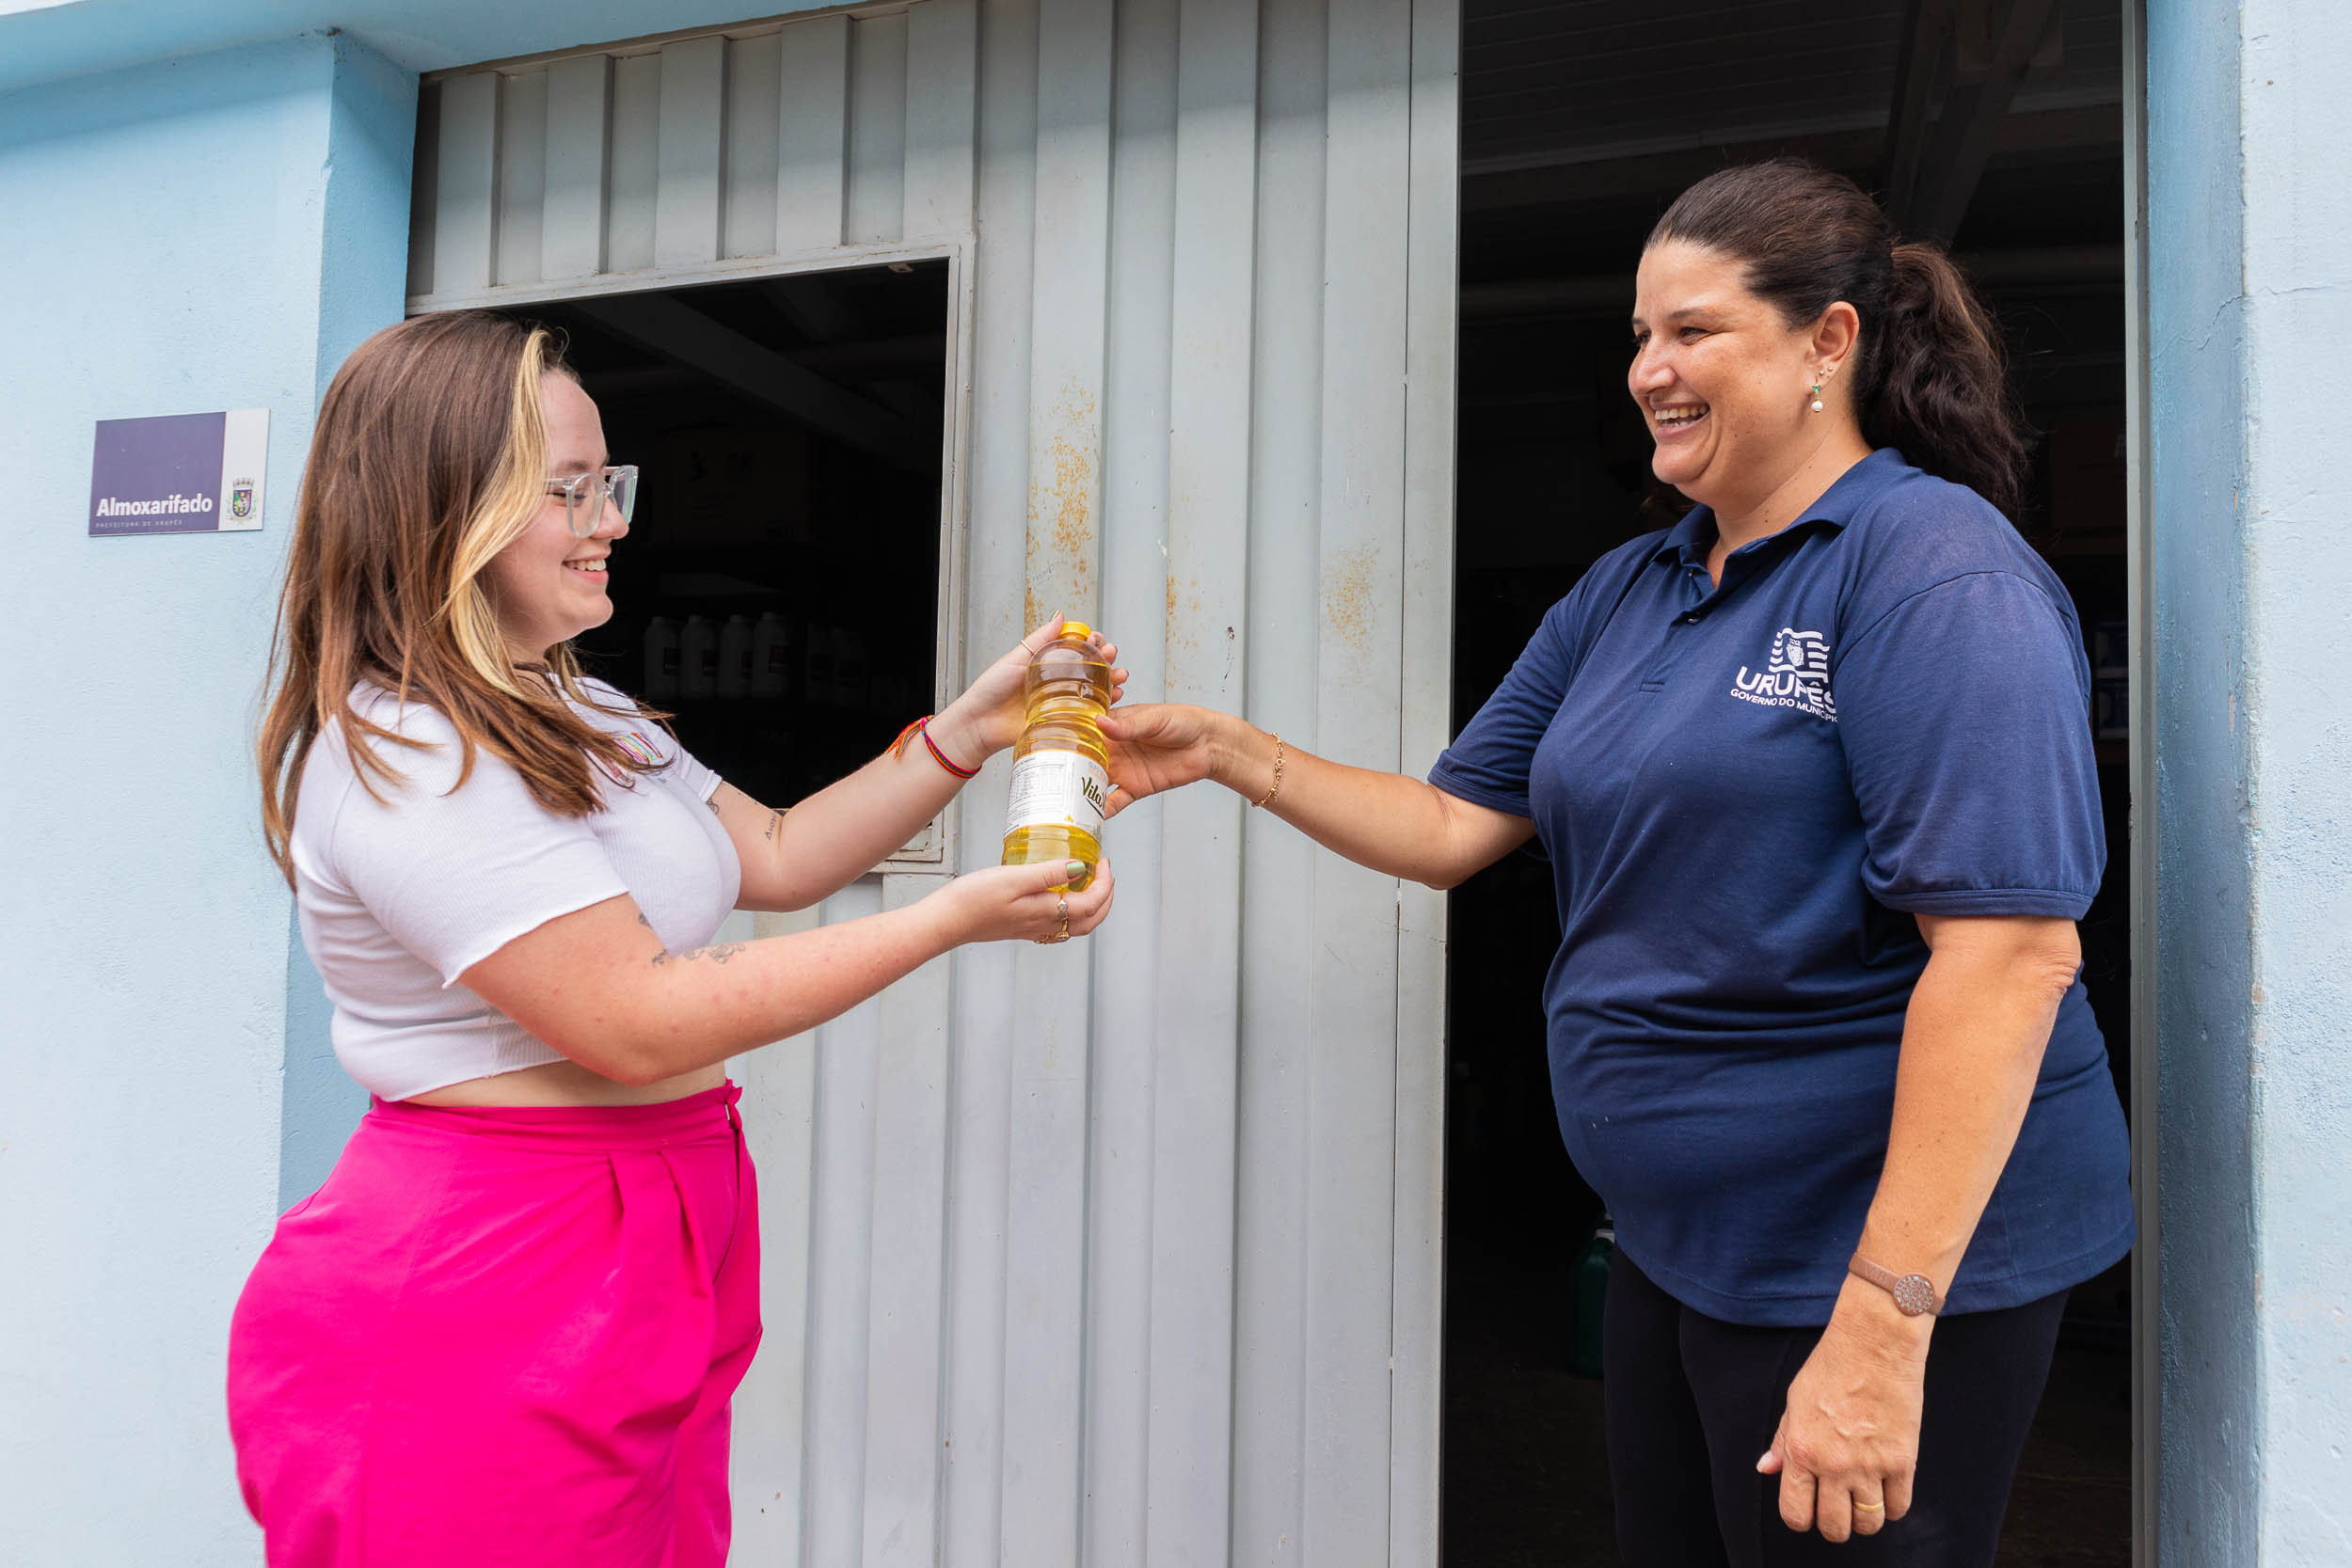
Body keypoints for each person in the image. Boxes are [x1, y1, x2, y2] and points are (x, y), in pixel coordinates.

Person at [1097, 159, 2132, 1567]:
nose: (1651, 369)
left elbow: (2010, 957)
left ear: (1829, 340)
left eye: (1693, 330)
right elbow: (1455, 826)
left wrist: (1884, 1332)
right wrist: (1228, 751)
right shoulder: (1636, 587)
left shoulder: (1932, 575)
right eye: (1641, 336)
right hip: (1680, 1239)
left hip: (1871, 1261)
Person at [228, 309, 1120, 1567]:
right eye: (570, 490)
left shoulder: (578, 704)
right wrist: (952, 917)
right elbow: (633, 1019)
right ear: (445, 507)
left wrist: (968, 731)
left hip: (654, 1221)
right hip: (496, 1258)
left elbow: (779, 856)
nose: (614, 521)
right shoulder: (408, 749)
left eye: (612, 481)